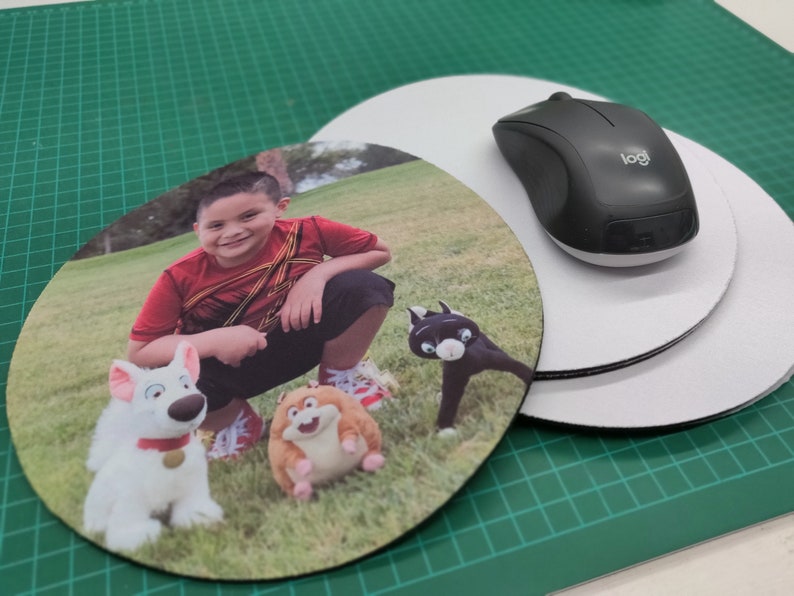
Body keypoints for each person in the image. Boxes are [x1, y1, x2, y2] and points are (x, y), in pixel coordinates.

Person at [126, 172, 396, 459]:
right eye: (216, 225)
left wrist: (317, 275)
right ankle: (235, 422)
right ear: (198, 230)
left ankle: (341, 379)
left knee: (362, 287)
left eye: (248, 216)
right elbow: (141, 351)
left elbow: (379, 251)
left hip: (301, 336)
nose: (232, 232)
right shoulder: (178, 277)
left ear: (280, 208)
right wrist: (218, 339)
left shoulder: (309, 231)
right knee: (155, 380)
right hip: (226, 369)